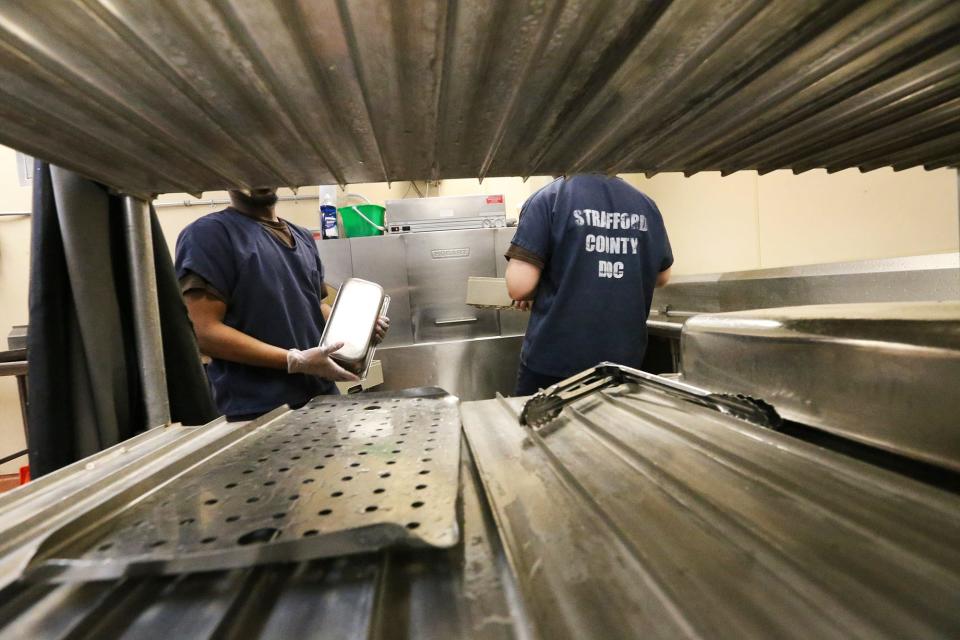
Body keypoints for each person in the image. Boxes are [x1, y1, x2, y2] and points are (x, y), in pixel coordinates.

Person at [175, 188, 388, 420]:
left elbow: (314, 306)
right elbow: (202, 332)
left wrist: (359, 331)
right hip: (260, 410)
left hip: (322, 400)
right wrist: (294, 361)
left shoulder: (303, 237)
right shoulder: (209, 235)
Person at [504, 174, 672, 396]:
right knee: (607, 428)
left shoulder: (549, 198)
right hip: (622, 363)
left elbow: (518, 286)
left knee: (545, 428)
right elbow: (662, 277)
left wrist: (542, 284)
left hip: (556, 363)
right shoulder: (645, 204)